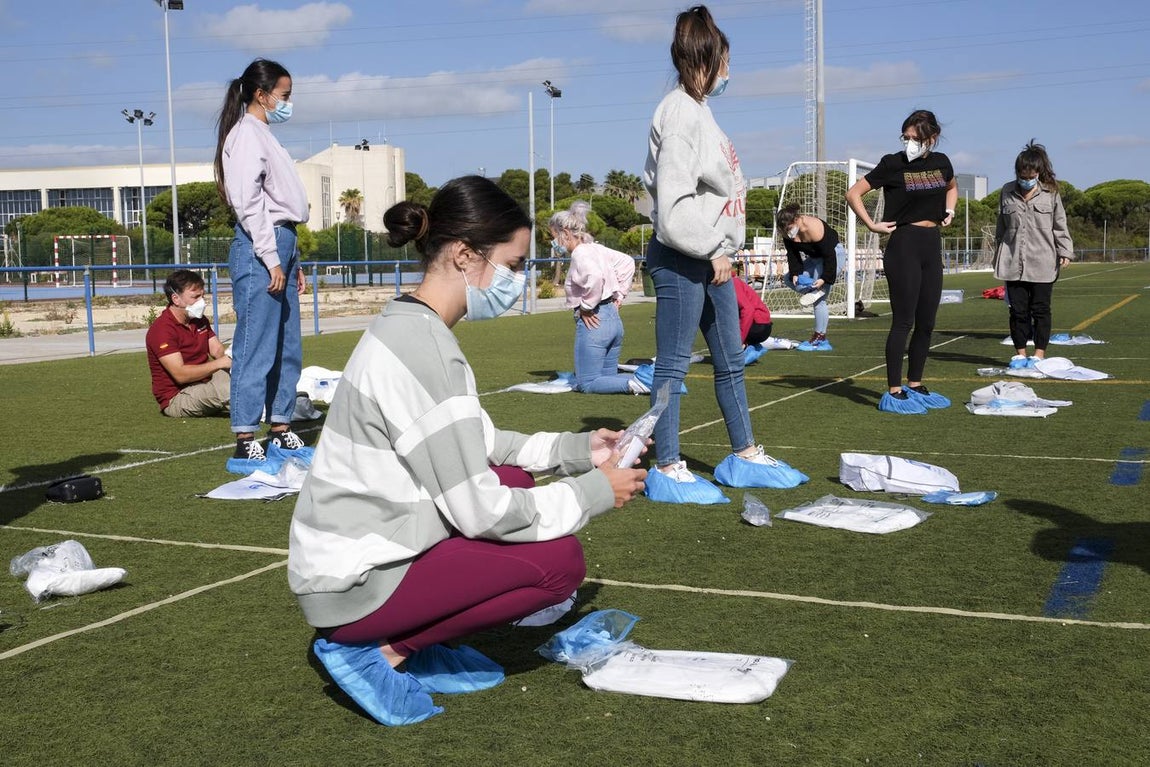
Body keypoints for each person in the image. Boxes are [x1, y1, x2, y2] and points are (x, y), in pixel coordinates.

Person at [287, 176, 648, 726]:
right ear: (463, 254)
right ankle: (380, 650)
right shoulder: (425, 347)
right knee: (560, 564)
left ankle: (412, 638)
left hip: (357, 556)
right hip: (352, 583)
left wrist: (581, 451)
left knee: (518, 481)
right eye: (514, 262)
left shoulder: (413, 325)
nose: (519, 280)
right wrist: (593, 492)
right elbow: (480, 510)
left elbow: (481, 444)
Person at [641, 5, 807, 499]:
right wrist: (714, 248)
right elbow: (673, 205)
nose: (729, 73)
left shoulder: (701, 112)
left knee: (731, 359)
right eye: (726, 61)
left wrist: (722, 250)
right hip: (683, 257)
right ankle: (667, 466)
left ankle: (744, 454)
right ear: (707, 60)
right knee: (672, 365)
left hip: (713, 258)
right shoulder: (678, 113)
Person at [214, 58, 310, 472]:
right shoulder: (246, 134)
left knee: (288, 343)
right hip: (260, 246)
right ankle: (245, 437)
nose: (288, 103)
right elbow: (249, 202)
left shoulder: (265, 134)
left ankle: (281, 426)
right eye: (284, 96)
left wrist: (294, 258)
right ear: (261, 93)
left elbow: (279, 201)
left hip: (282, 241)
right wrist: (271, 257)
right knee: (256, 342)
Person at [845, 109, 958, 415]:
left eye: (916, 138)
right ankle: (895, 389)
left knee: (927, 322)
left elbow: (952, 187)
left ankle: (916, 383)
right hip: (904, 245)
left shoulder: (941, 162)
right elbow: (853, 192)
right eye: (905, 137)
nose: (910, 142)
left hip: (931, 245)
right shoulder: (892, 163)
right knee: (904, 321)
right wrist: (871, 223)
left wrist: (950, 211)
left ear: (931, 138)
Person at [993, 140, 1074, 369]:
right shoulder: (1007, 191)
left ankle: (1039, 354)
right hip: (1012, 261)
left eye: (1030, 174)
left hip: (1043, 261)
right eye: (1021, 173)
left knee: (1040, 309)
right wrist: (997, 255)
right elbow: (1001, 226)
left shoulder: (1051, 193)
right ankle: (1020, 354)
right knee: (1018, 310)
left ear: (1038, 172)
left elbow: (1060, 224)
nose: (1025, 178)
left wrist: (1065, 251)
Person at [550, 201, 643, 394]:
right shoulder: (596, 248)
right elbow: (627, 262)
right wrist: (619, 296)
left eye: (554, 237)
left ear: (565, 234)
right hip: (613, 320)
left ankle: (642, 384)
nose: (553, 243)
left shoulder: (580, 254)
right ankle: (649, 380)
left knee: (587, 382)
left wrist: (586, 307)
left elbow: (594, 277)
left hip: (595, 322)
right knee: (608, 378)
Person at [145, 269, 231, 417]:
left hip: (205, 383)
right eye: (195, 297)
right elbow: (181, 375)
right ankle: (264, 414)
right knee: (230, 389)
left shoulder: (199, 320)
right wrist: (221, 363)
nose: (201, 302)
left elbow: (218, 351)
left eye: (202, 296)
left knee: (251, 377)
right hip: (178, 397)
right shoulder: (162, 330)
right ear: (176, 299)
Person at [776, 203, 843, 352]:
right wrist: (795, 273)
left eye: (788, 229)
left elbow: (829, 256)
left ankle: (820, 337)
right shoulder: (787, 233)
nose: (788, 233)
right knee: (788, 279)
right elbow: (792, 255)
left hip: (833, 256)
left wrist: (825, 278)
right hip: (813, 259)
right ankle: (815, 291)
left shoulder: (813, 227)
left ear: (797, 220)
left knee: (819, 301)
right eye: (784, 231)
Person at [732, 272, 772, 365]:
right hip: (761, 324)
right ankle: (753, 348)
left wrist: (740, 339)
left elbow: (747, 310)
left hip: (758, 325)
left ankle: (742, 351)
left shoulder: (732, 283)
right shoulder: (733, 282)